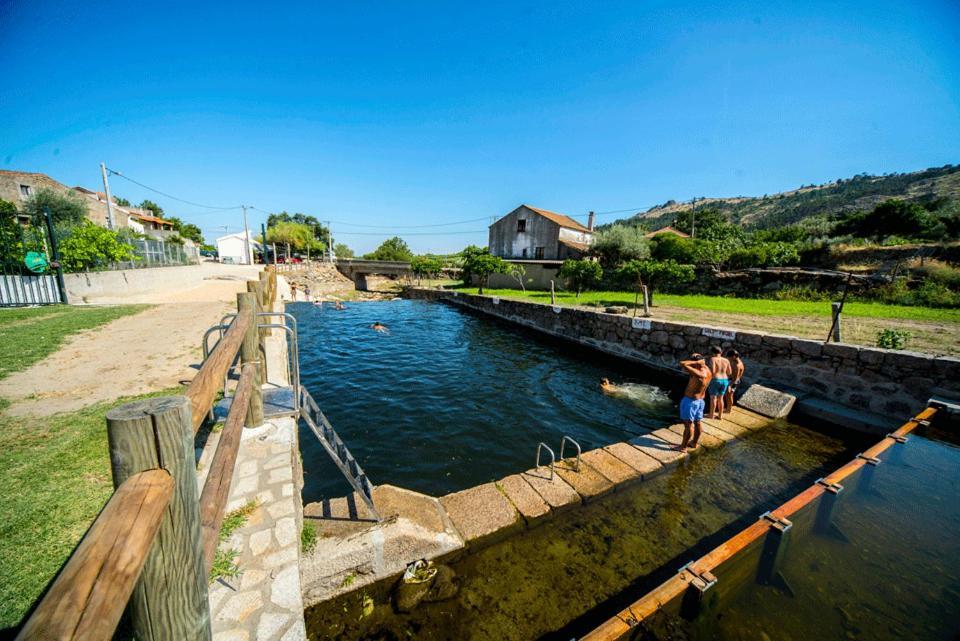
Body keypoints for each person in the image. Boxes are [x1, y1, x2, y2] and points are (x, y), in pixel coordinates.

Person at [678, 354, 712, 451]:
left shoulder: (699, 374)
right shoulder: (707, 370)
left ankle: (683, 447)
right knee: (697, 423)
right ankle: (694, 443)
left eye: (693, 364)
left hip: (690, 402)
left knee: (688, 426)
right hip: (700, 401)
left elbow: (683, 364)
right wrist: (699, 360)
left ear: (697, 364)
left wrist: (696, 362)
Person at [706, 346, 732, 419]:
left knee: (713, 398)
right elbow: (729, 372)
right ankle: (720, 415)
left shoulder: (713, 359)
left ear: (712, 353)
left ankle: (711, 415)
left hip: (715, 380)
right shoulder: (726, 360)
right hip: (725, 380)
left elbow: (713, 371)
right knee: (721, 398)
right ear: (721, 352)